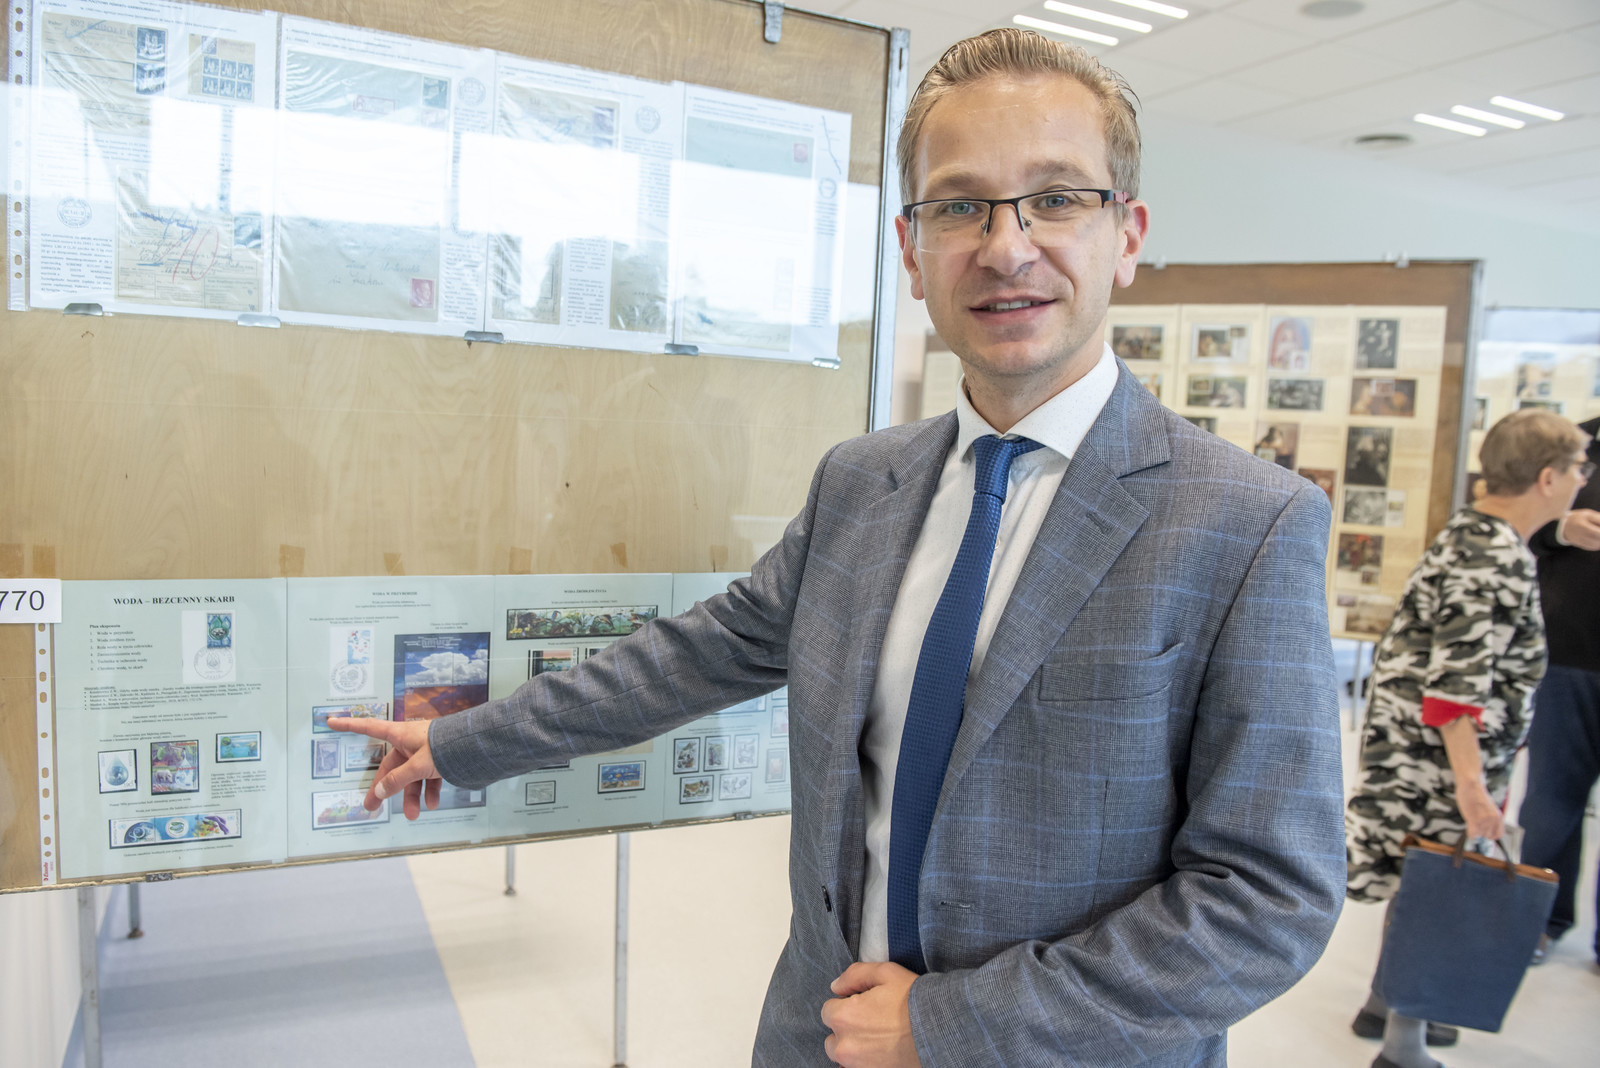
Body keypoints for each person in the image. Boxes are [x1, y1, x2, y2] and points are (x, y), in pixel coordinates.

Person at [333, 29, 1346, 1067]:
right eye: (959, 206)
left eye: (1054, 198)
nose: (1005, 247)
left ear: (1125, 234)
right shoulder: (863, 484)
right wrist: (464, 742)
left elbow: (1267, 899)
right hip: (817, 1037)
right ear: (910, 250)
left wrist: (948, 1026)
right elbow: (693, 656)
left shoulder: (1244, 524)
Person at [1345, 409, 1591, 1068]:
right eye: (1577, 468)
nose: (1582, 479)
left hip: (1417, 753)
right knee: (1439, 887)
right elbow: (1456, 689)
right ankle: (1405, 1046)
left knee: (1418, 878)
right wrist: (1474, 789)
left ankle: (1384, 1003)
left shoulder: (1475, 533)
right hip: (1435, 761)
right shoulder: (1492, 556)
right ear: (1547, 478)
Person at [1520, 413, 1600, 965]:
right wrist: (1561, 529)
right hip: (1566, 657)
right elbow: (1517, 518)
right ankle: (1538, 920)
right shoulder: (1574, 441)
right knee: (1552, 801)